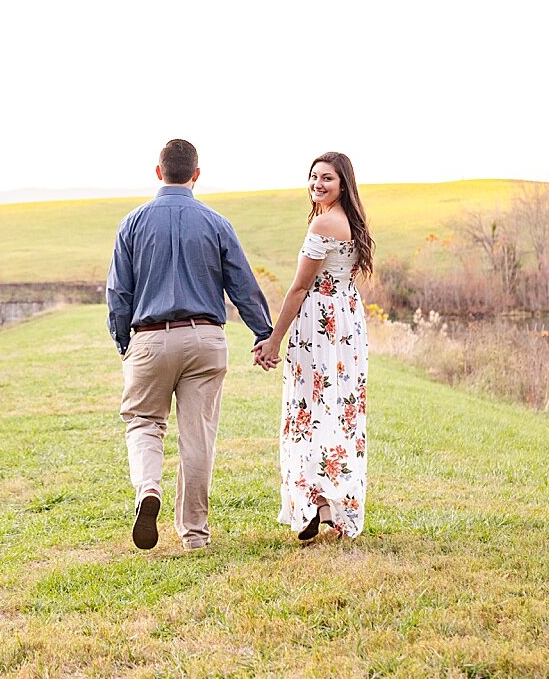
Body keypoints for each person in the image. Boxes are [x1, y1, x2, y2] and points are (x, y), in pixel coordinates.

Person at [107, 139, 274, 551]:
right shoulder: (217, 223)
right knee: (198, 437)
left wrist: (123, 339)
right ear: (196, 175)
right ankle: (195, 535)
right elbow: (242, 285)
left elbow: (118, 292)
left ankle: (149, 488)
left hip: (150, 337)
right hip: (205, 338)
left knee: (144, 422)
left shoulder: (132, 223)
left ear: (158, 171)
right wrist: (263, 332)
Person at [252, 151, 373, 544]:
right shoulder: (354, 222)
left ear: (343, 184)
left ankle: (315, 501)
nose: (318, 184)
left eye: (327, 179)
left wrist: (273, 340)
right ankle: (326, 505)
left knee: (309, 409)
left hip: (321, 326)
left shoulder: (324, 223)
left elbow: (300, 287)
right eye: (313, 177)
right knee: (337, 410)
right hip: (348, 326)